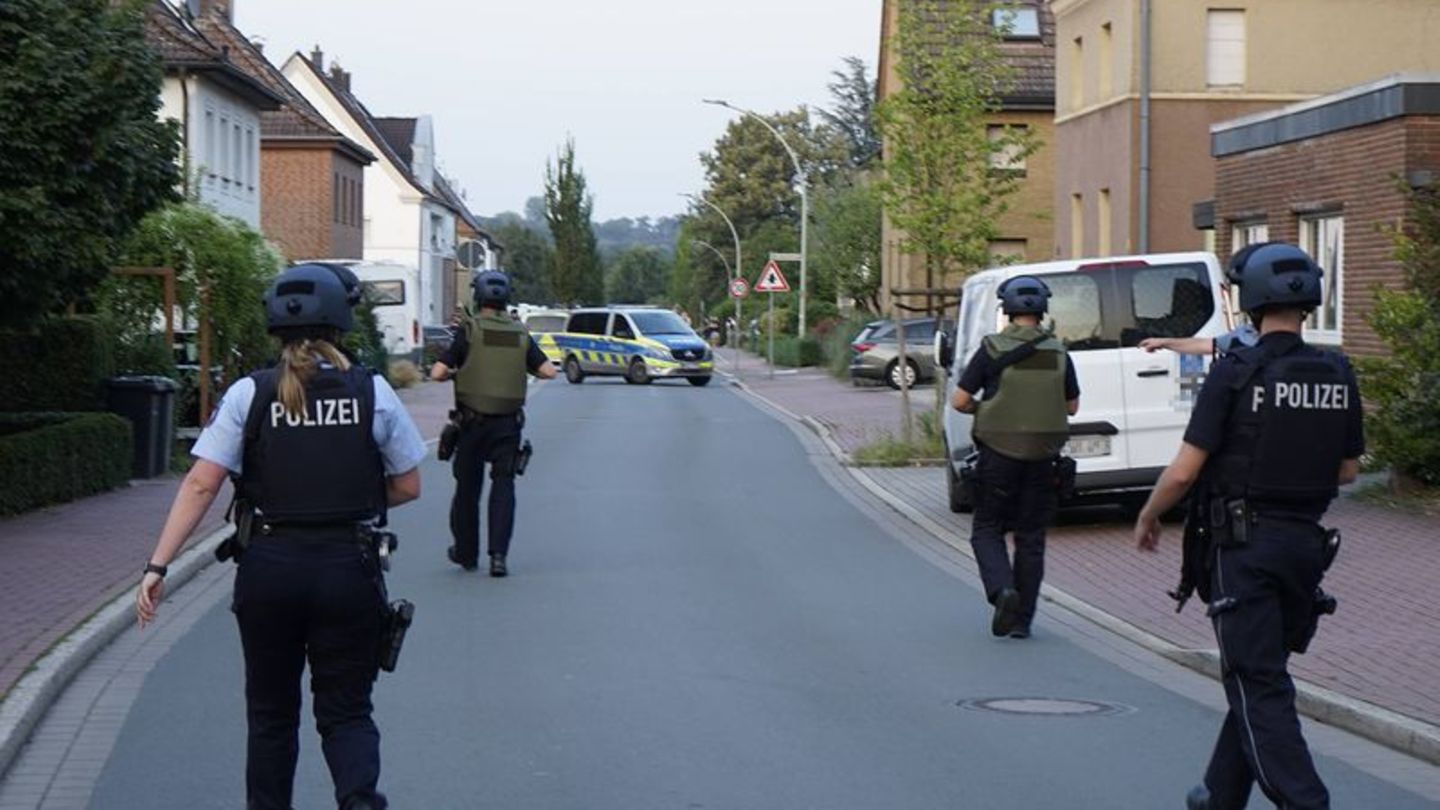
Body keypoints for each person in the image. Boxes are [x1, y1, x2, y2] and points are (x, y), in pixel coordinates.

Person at [135, 263, 426, 810]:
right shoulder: (374, 392)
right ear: (341, 324)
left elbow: (201, 484)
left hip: (269, 569)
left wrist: (157, 566)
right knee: (346, 712)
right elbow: (408, 485)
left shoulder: (250, 393)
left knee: (270, 716)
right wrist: (352, 501)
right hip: (348, 567)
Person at [1133, 243, 1363, 810]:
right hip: (1306, 547)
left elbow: (1186, 470)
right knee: (1259, 671)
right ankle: (1218, 794)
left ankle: (1306, 800)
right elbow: (1350, 469)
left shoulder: (1237, 371)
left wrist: (1149, 512)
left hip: (1245, 547)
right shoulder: (1338, 371)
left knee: (1256, 682)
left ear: (1251, 299)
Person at [950, 275, 1080, 639]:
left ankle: (1001, 590)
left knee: (987, 528)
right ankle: (1023, 621)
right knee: (1031, 536)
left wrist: (984, 408)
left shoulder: (991, 348)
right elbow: (1072, 405)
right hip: (1043, 455)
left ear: (1006, 309)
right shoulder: (1058, 350)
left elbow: (959, 401)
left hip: (997, 453)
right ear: (1043, 310)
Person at [430, 270, 556, 576]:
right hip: (508, 426)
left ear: (478, 297)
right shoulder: (519, 333)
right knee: (504, 487)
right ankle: (498, 557)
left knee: (467, 490)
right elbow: (549, 371)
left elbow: (436, 373)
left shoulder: (469, 331)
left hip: (472, 424)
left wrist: (456, 372)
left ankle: (466, 553)